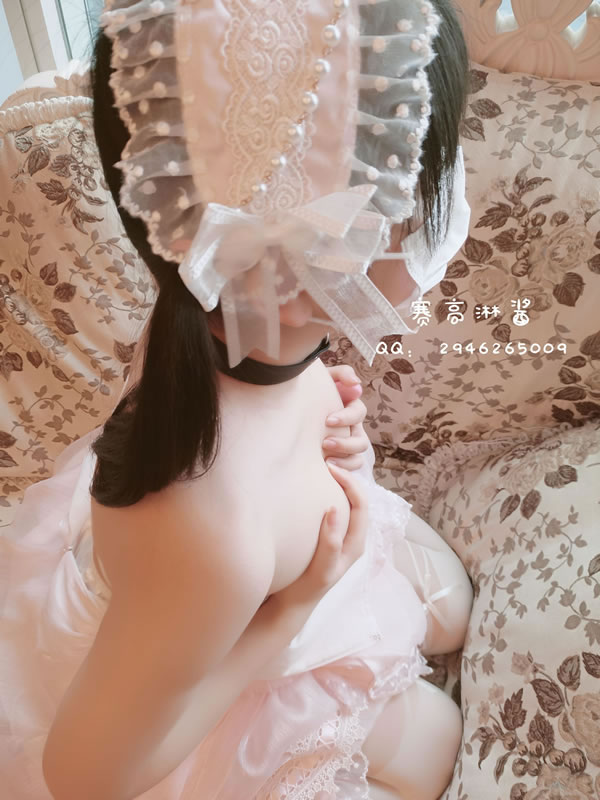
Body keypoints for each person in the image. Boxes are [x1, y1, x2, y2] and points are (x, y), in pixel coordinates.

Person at [0, 0, 474, 798]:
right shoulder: (209, 541)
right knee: (440, 747)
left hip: (291, 552)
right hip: (233, 642)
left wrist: (331, 436)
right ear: (303, 263)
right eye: (419, 188)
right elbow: (83, 776)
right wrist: (288, 613)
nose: (451, 201)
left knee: (454, 608)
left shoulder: (225, 316)